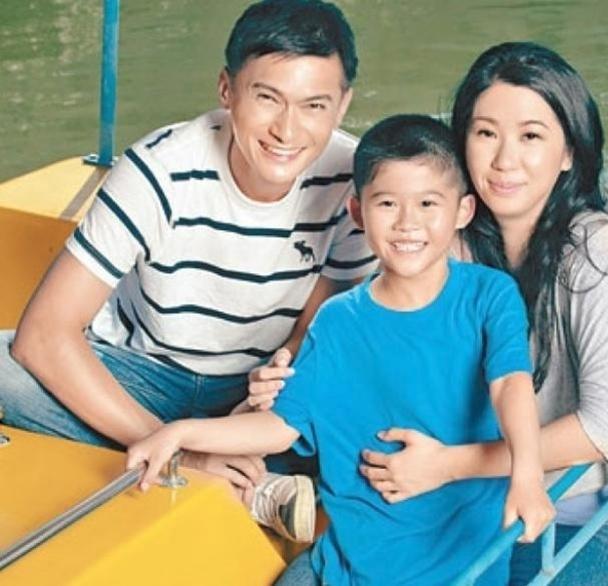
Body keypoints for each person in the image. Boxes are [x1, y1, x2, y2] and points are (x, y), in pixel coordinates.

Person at [0, 0, 376, 542]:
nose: (287, 130)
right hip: (143, 375)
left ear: (342, 105)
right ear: (227, 90)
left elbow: (313, 331)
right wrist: (186, 447)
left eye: (313, 105)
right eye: (266, 98)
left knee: (375, 400)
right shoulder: (160, 168)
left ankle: (237, 469)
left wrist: (271, 390)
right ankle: (244, 481)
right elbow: (43, 335)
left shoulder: (354, 179)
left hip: (255, 391)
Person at [127, 114, 555, 585]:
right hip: (346, 568)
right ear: (357, 212)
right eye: (387, 203)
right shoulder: (336, 320)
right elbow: (282, 426)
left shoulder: (489, 295)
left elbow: (509, 384)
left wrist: (527, 474)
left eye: (428, 203)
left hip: (461, 569)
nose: (407, 223)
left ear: (463, 211)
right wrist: (181, 433)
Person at [358, 43, 608, 585]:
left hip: (572, 513)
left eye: (531, 136)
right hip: (458, 505)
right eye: (486, 133)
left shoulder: (592, 245)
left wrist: (450, 464)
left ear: (569, 151)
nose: (504, 160)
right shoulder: (448, 236)